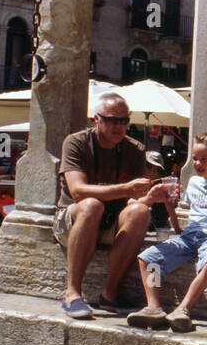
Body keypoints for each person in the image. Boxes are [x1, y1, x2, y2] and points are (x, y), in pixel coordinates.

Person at [128, 133, 207, 332]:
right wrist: (169, 207)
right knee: (147, 259)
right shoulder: (193, 183)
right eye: (195, 158)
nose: (198, 163)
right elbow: (181, 225)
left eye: (203, 159)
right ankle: (153, 307)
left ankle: (183, 309)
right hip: (190, 236)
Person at [56, 92, 153, 319]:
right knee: (91, 205)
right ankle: (72, 293)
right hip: (72, 221)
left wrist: (153, 198)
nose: (118, 127)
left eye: (123, 121)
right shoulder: (76, 142)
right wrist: (126, 188)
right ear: (96, 119)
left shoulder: (135, 149)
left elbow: (132, 200)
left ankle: (109, 294)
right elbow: (77, 191)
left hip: (111, 223)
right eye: (111, 120)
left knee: (140, 211)